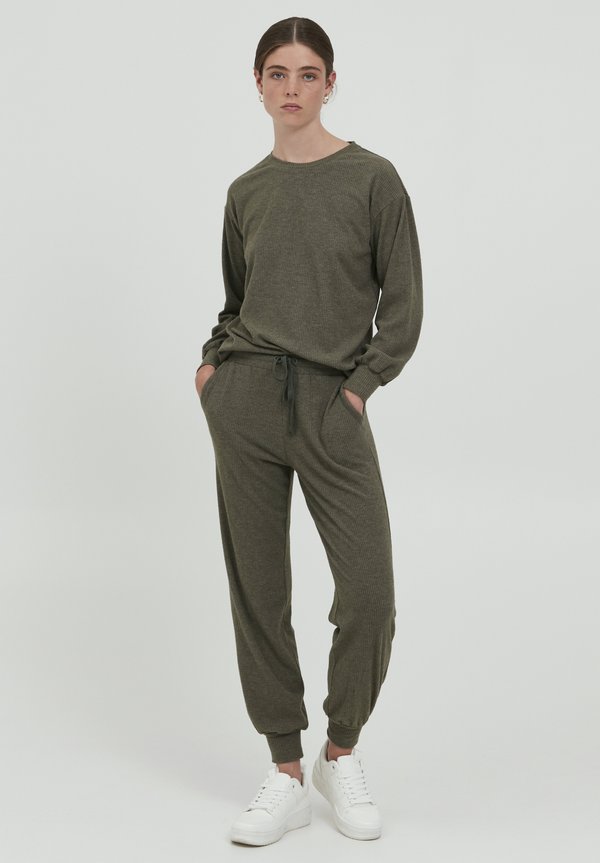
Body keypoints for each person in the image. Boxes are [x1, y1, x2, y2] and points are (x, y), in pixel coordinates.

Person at [194, 17, 423, 846]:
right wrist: (213, 371)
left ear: (330, 83)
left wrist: (359, 388)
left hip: (332, 405)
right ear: (257, 84)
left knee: (369, 592)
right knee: (259, 589)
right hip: (246, 400)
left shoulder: (373, 179)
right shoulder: (245, 191)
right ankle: (285, 767)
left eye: (308, 73)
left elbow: (403, 306)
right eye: (277, 73)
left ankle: (340, 749)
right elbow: (237, 300)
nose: (292, 88)